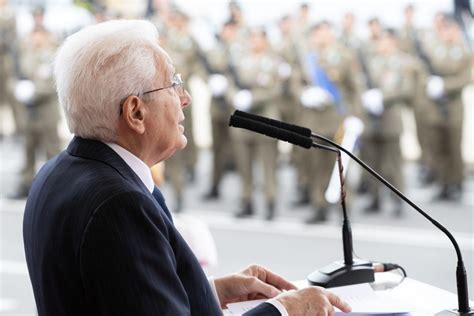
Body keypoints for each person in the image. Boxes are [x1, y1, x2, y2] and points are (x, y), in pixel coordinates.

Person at [23, 20, 351, 316]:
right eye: (173, 84)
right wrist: (282, 311)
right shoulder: (119, 204)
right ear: (135, 112)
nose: (186, 98)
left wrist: (207, 290)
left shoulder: (59, 172)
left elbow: (123, 295)